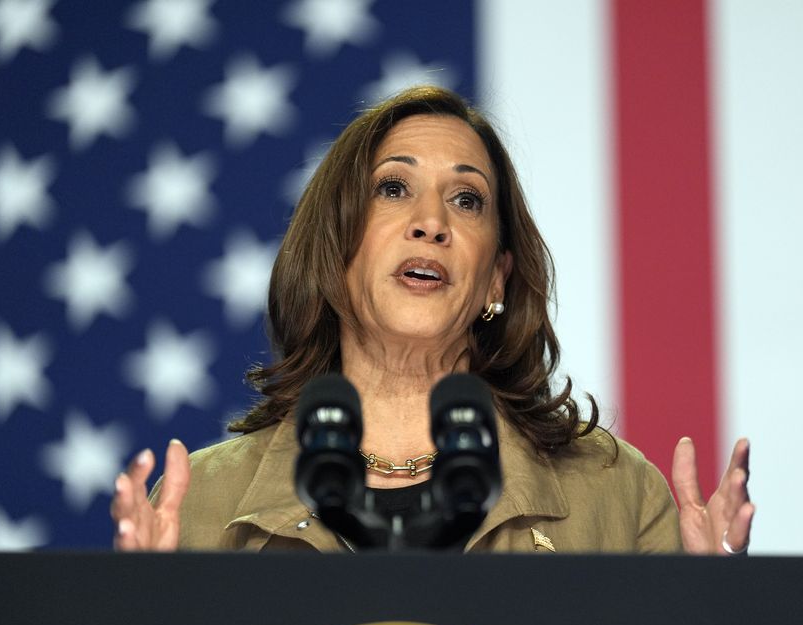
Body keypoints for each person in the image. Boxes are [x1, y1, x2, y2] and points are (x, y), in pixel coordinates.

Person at [111, 86, 754, 554]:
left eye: (467, 199)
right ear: (334, 253)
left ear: (495, 279)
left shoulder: (615, 495)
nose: (432, 222)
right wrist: (136, 618)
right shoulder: (202, 509)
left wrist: (712, 608)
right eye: (393, 188)